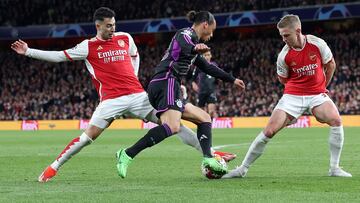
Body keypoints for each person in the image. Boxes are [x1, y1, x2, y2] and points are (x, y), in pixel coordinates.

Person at [10, 7, 232, 183]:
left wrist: (132, 77)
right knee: (87, 138)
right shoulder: (88, 47)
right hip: (110, 101)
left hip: (138, 96)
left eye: (114, 25)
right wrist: (28, 51)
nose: (112, 29)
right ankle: (53, 167)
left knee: (175, 126)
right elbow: (59, 56)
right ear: (98, 26)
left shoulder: (125, 38)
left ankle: (211, 154)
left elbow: (134, 56)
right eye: (108, 26)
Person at [116, 10, 245, 178]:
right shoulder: (186, 33)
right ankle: (127, 154)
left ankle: (208, 158)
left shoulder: (193, 48)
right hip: (166, 81)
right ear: (205, 24)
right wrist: (195, 47)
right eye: (211, 30)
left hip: (169, 84)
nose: (212, 35)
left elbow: (208, 67)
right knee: (173, 126)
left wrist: (232, 79)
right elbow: (185, 43)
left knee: (204, 117)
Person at [223, 14, 352, 178]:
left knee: (336, 120)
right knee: (269, 131)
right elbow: (283, 80)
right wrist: (297, 103)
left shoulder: (318, 44)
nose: (283, 39)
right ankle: (242, 169)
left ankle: (334, 168)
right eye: (281, 36)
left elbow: (331, 65)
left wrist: (322, 87)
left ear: (298, 31)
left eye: (286, 35)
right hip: (293, 95)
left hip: (316, 94)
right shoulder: (283, 55)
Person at [191, 50, 219, 118]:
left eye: (208, 55)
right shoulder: (198, 66)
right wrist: (193, 84)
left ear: (211, 56)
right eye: (205, 55)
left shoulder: (214, 65)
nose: (207, 57)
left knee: (211, 111)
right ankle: (206, 125)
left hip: (211, 91)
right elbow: (193, 79)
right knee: (202, 113)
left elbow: (218, 78)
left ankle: (212, 125)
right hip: (202, 92)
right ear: (203, 56)